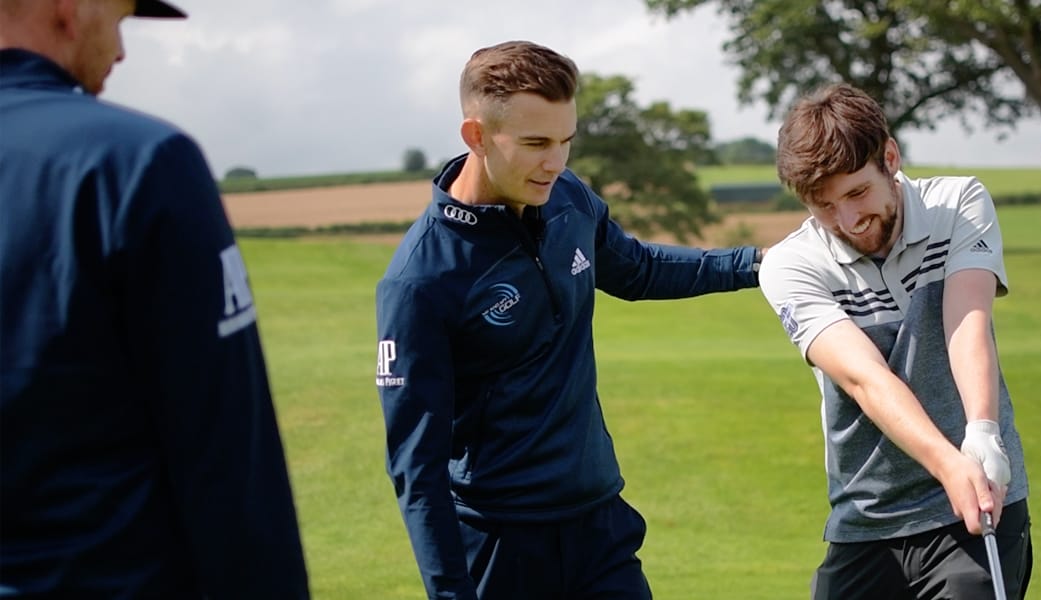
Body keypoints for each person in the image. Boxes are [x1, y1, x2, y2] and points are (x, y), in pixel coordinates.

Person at [374, 40, 763, 599]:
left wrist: (757, 264)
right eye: (535, 143)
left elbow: (638, 269)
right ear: (476, 136)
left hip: (599, 527)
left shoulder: (567, 199)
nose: (555, 162)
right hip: (498, 545)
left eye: (564, 142)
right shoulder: (420, 281)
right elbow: (417, 467)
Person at [0, 1, 310, 597]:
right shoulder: (134, 162)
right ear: (71, 7)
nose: (119, 51)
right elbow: (230, 468)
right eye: (117, 19)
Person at [757, 83, 1032, 600]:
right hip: (867, 519)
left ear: (890, 157)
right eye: (824, 205)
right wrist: (948, 463)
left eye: (858, 193)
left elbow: (965, 322)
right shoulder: (790, 265)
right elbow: (866, 379)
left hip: (977, 508)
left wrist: (983, 432)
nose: (848, 221)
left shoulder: (957, 204)